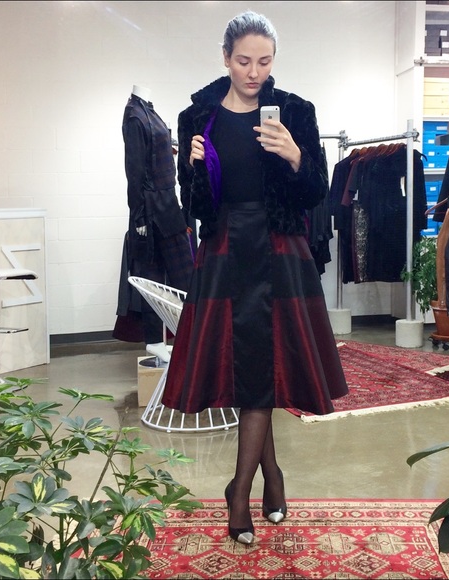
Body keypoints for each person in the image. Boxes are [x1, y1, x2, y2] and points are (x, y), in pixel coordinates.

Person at [162, 11, 348, 544]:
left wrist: (296, 157)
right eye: (244, 61)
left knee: (263, 369)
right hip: (224, 249)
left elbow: (316, 193)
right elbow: (195, 207)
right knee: (250, 371)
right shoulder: (197, 116)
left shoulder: (295, 110)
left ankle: (239, 490)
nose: (254, 72)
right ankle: (269, 477)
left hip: (279, 249)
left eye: (264, 62)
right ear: (225, 58)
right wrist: (193, 170)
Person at [114, 84, 194, 362]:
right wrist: (138, 215)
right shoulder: (135, 116)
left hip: (165, 202)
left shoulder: (147, 110)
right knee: (161, 275)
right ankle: (157, 339)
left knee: (174, 274)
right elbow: (134, 169)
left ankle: (185, 336)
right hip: (152, 207)